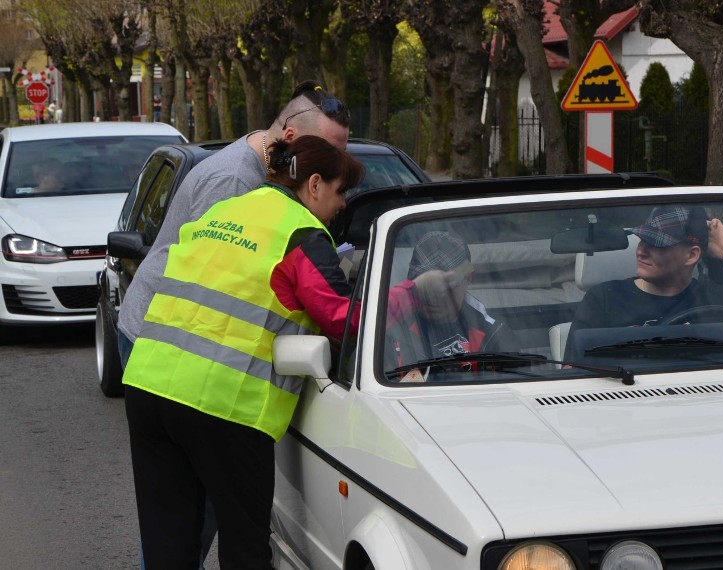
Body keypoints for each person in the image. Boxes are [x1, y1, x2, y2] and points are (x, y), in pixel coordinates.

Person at [117, 80, 350, 569]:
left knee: (168, 548)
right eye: (340, 190)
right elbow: (341, 318)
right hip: (222, 403)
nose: (343, 204)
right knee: (245, 547)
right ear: (313, 183)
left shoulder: (233, 206)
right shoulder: (300, 232)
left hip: (149, 384)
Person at [565, 204, 723, 359]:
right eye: (643, 240)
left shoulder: (721, 299)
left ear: (692, 255)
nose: (640, 251)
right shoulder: (605, 298)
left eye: (657, 244)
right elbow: (571, 373)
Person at [384, 231, 519, 380]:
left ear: (468, 279)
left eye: (445, 286)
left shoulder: (494, 334)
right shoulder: (386, 329)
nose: (434, 297)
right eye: (426, 288)